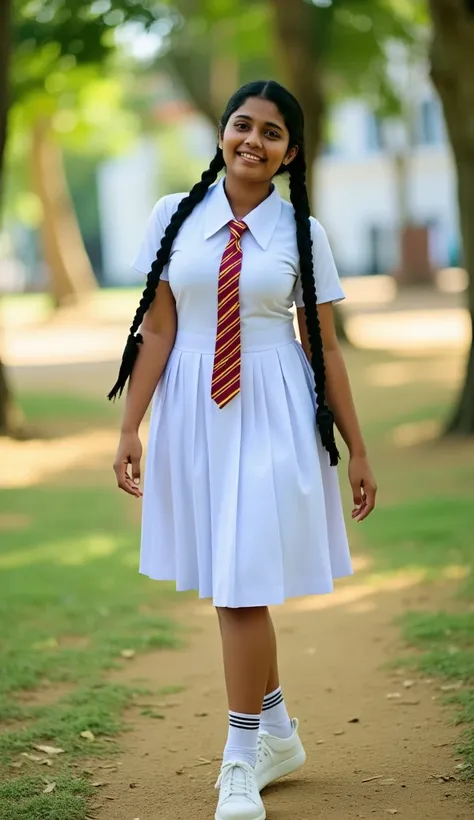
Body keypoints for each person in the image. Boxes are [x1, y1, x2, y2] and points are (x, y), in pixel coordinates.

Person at [111, 80, 377, 820]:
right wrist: (130, 427)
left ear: (290, 153)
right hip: (194, 410)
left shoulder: (303, 234)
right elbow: (157, 331)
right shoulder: (173, 216)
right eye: (242, 125)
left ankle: (239, 756)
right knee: (236, 571)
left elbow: (321, 343)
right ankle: (281, 732)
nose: (253, 141)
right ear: (222, 132)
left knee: (240, 585)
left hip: (273, 409)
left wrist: (357, 449)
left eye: (272, 133)